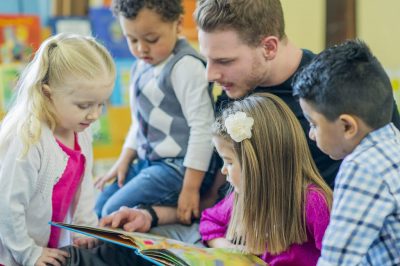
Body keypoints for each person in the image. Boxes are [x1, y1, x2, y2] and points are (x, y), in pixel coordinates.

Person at [60, 93, 332, 266]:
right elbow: (210, 222)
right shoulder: (240, 198)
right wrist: (227, 249)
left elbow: (340, 257)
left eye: (229, 162)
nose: (223, 172)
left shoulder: (312, 203)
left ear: (257, 163)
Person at [194, 0, 400, 188]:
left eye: (224, 61)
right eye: (208, 59)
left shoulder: (346, 88)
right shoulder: (233, 89)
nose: (210, 75)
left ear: (269, 47)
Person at [94, 0, 216, 224]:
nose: (141, 48)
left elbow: (204, 129)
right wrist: (124, 160)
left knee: (112, 212)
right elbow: (139, 121)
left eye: (151, 39)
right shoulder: (141, 66)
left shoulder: (185, 66)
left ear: (177, 24)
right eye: (132, 40)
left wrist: (190, 189)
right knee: (99, 206)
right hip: (149, 162)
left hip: (180, 167)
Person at [0, 33, 116, 266]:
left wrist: (85, 229)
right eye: (84, 105)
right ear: (47, 93)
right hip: (12, 252)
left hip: (46, 246)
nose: (95, 115)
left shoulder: (80, 129)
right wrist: (28, 253)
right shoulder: (29, 136)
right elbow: (7, 207)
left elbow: (83, 187)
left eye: (101, 104)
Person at [293, 39, 400, 265]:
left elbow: (336, 260)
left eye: (314, 124)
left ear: (347, 126)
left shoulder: (362, 167)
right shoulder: (392, 141)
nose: (311, 135)